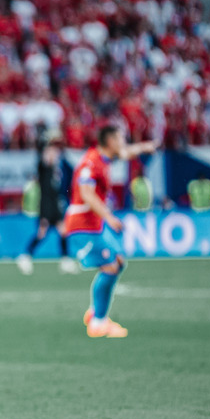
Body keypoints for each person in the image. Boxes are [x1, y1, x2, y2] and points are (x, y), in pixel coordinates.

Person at [64, 126, 157, 338]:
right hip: (82, 226)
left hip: (94, 225)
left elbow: (126, 153)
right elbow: (86, 194)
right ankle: (98, 323)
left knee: (119, 261)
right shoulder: (91, 163)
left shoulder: (105, 158)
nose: (123, 142)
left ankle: (96, 312)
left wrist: (144, 147)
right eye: (121, 138)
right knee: (110, 267)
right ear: (110, 141)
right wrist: (109, 217)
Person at [16, 131, 78, 275]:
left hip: (55, 202)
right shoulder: (43, 167)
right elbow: (43, 156)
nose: (54, 154)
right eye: (51, 152)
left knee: (63, 230)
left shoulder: (58, 168)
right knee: (42, 232)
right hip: (46, 203)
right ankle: (26, 255)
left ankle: (65, 260)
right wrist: (48, 143)